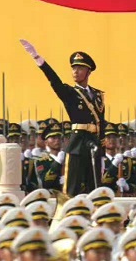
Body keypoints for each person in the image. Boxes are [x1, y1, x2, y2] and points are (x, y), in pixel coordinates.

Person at [20, 41, 105, 196]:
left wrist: (102, 148)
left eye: (80, 68)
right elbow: (54, 81)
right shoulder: (70, 93)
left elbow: (101, 122)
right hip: (78, 142)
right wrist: (39, 60)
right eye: (73, 68)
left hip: (93, 143)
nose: (75, 72)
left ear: (88, 71)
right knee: (72, 187)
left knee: (95, 187)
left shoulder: (98, 95)